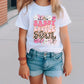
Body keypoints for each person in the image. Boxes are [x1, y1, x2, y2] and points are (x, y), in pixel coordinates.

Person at [15, 0, 72, 84]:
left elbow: (65, 36)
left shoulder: (59, 9)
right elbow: (22, 38)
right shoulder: (27, 10)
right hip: (34, 59)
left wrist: (68, 61)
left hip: (54, 60)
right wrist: (23, 63)